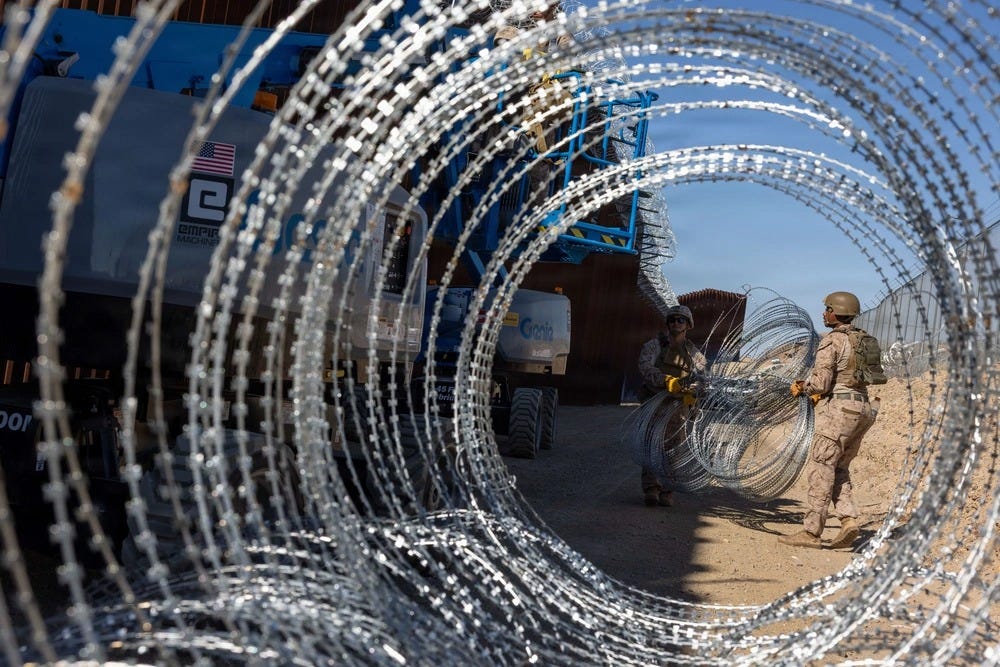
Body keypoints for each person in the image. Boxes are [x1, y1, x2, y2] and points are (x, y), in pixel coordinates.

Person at [779, 291, 879, 549]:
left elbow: (821, 383)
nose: (824, 313)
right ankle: (848, 520)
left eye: (827, 309)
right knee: (839, 468)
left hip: (839, 412)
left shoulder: (832, 341)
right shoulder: (861, 339)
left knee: (821, 468)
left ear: (836, 312)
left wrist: (803, 387)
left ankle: (811, 532)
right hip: (864, 409)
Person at [636, 304, 707, 507]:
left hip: (678, 408)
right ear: (668, 323)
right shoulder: (654, 346)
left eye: (681, 320)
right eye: (673, 320)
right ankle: (651, 488)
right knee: (651, 445)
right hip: (654, 402)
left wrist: (691, 390)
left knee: (674, 450)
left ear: (688, 325)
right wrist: (666, 380)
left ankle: (667, 490)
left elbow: (702, 378)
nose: (676, 323)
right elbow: (645, 367)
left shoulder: (694, 354)